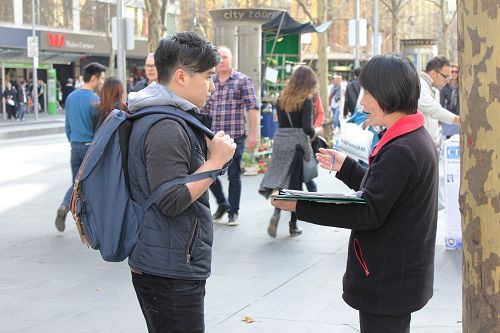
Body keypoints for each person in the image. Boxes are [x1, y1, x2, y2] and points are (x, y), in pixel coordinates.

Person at [272, 54, 438, 333]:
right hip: (397, 276)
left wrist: (300, 206)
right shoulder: (411, 139)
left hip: (387, 278)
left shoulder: (402, 149)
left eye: (368, 94)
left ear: (388, 94)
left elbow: (368, 210)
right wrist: (347, 168)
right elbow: (385, 194)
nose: (362, 103)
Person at [126, 32, 236, 333]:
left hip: (167, 258)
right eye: (208, 77)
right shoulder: (166, 126)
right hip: (169, 268)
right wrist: (215, 161)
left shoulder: (165, 116)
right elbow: (171, 199)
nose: (212, 86)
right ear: (181, 77)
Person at [201, 46, 259, 226]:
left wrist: (253, 134)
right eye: (219, 57)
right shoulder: (210, 81)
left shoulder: (242, 80)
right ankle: (223, 204)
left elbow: (252, 107)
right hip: (213, 137)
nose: (222, 60)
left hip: (235, 137)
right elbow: (204, 109)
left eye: (225, 56)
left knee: (233, 174)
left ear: (231, 59)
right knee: (208, 173)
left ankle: (233, 211)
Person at [259, 65, 317, 238]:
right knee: (294, 186)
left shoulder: (281, 99)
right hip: (297, 145)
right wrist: (315, 134)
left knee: (281, 182)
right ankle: (293, 225)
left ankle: (276, 213)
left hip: (281, 142)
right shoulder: (306, 100)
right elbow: (307, 128)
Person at [54, 62, 106, 232]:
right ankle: (84, 220)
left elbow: (68, 126)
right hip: (89, 148)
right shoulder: (95, 100)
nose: (102, 83)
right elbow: (99, 128)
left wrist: (73, 141)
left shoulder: (71, 97)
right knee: (88, 186)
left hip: (75, 147)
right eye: (101, 79)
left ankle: (67, 208)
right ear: (93, 78)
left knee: (76, 183)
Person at [418, 56, 460, 211]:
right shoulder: (420, 85)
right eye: (445, 76)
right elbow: (433, 110)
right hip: (421, 144)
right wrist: (458, 120)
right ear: (434, 73)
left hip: (429, 141)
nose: (447, 80)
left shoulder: (431, 87)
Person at [439, 64, 460, 138]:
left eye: (456, 72)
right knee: (449, 142)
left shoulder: (462, 87)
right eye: (452, 71)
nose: (454, 73)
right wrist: (440, 119)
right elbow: (441, 104)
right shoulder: (445, 88)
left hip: (459, 118)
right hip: (449, 118)